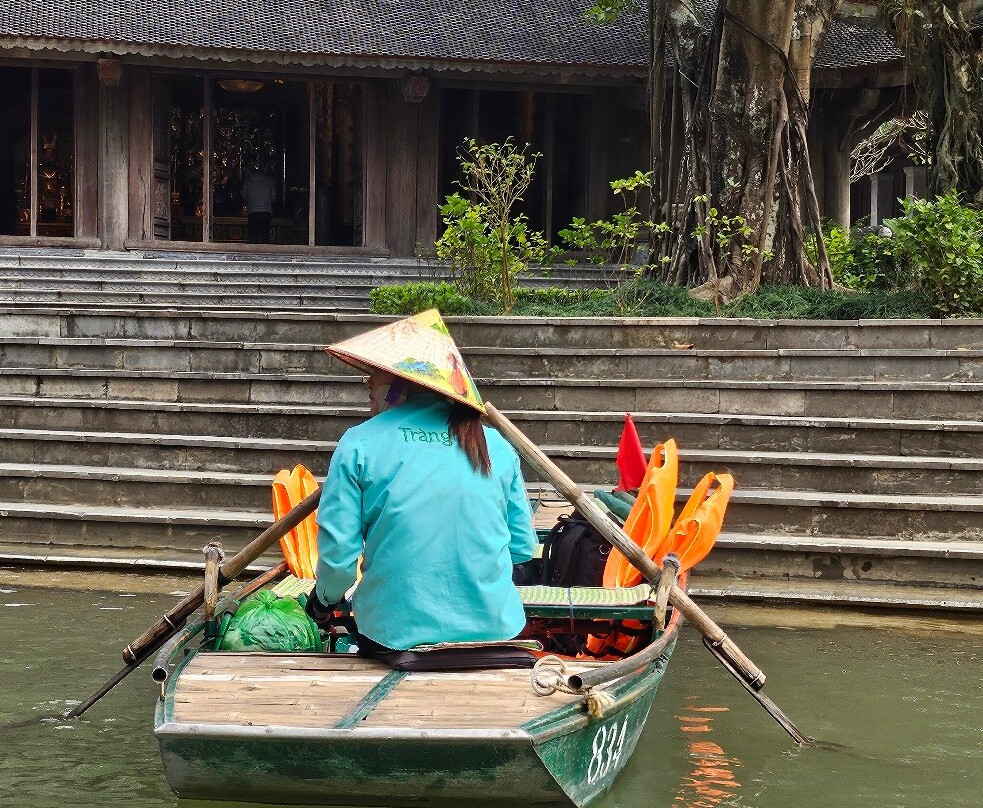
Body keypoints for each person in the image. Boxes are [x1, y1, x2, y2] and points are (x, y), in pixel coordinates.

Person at [305, 309, 537, 655]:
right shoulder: (498, 446)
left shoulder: (359, 443)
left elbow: (339, 560)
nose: (368, 384)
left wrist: (322, 601)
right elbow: (521, 547)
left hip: (392, 636)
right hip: (496, 632)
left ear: (403, 383)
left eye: (375, 375)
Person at [242, 163, 276, 243]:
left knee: (253, 237)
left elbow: (244, 196)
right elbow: (273, 197)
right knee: (264, 237)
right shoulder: (269, 180)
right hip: (266, 211)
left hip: (253, 211)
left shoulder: (248, 180)